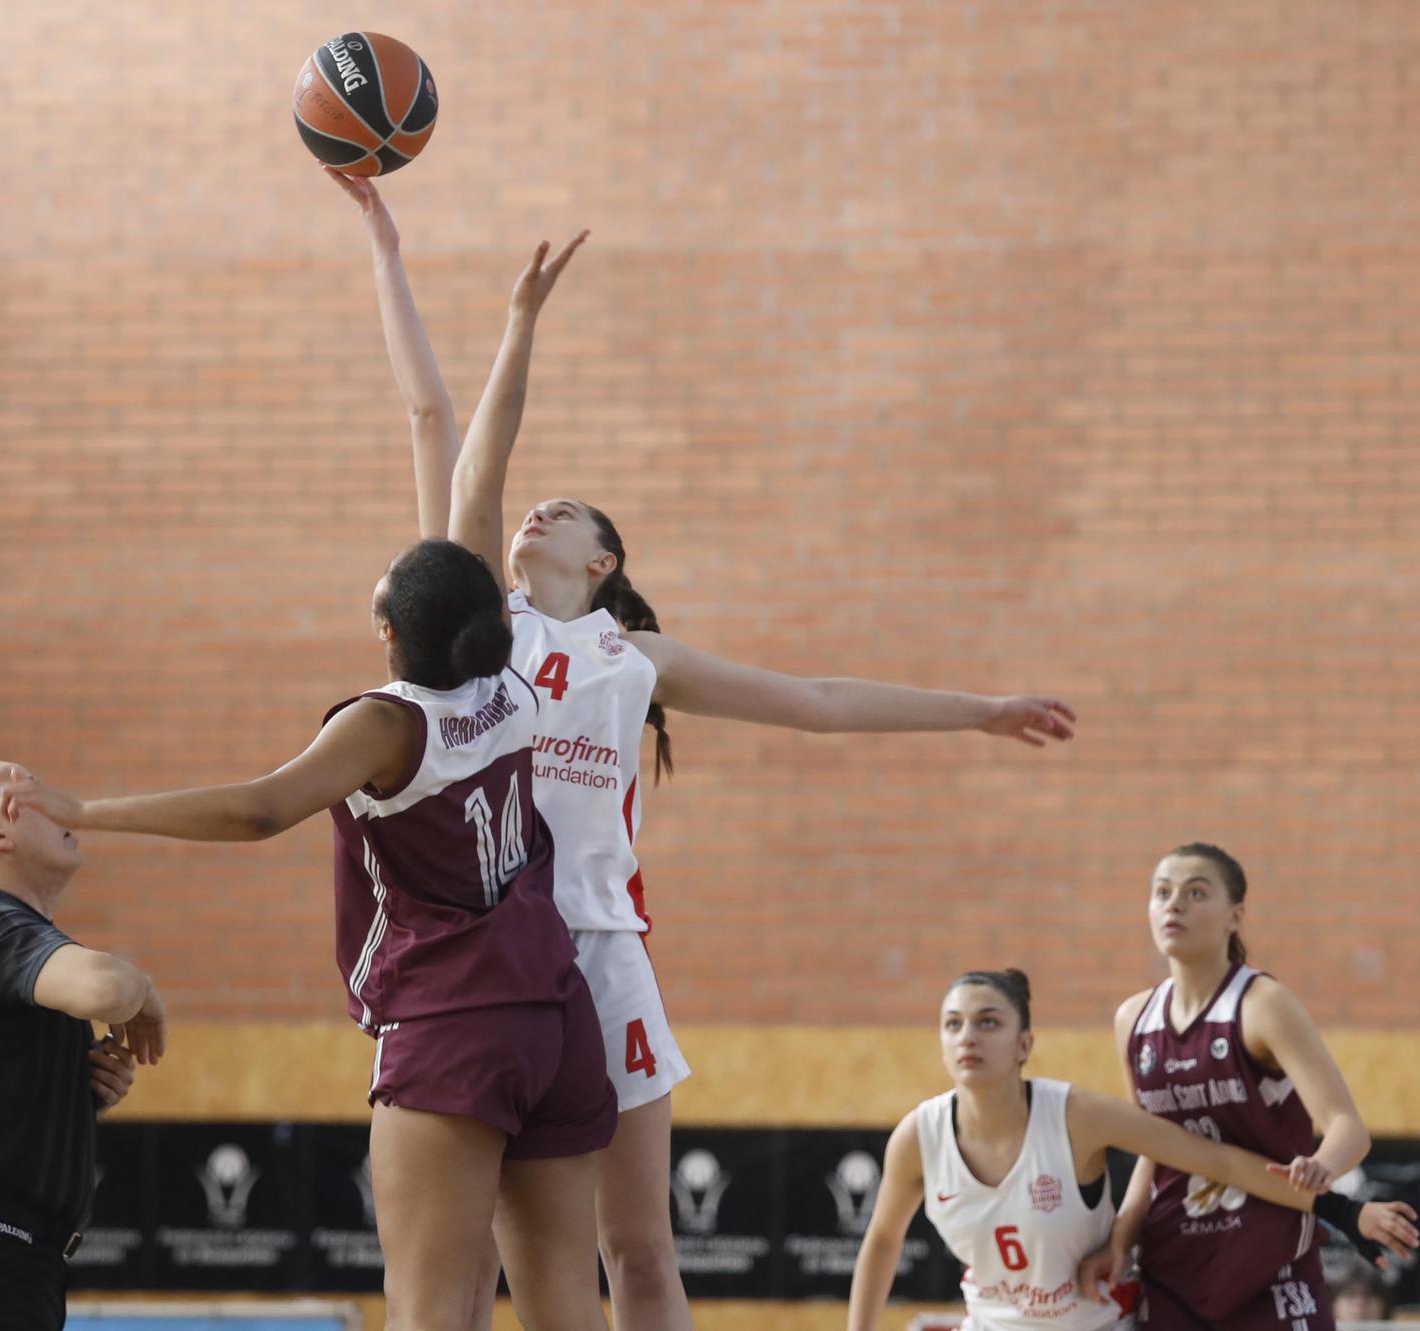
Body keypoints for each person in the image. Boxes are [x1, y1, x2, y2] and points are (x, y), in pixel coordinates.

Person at [329, 167, 1080, 1331]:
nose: (536, 511)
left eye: (566, 510)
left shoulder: (641, 658)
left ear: (606, 558)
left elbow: (818, 698)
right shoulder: (490, 631)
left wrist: (976, 707)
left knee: (634, 1246)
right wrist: (444, 284)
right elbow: (448, 432)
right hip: (493, 957)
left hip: (603, 948)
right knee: (480, 1251)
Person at [0, 537, 618, 1331]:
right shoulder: (515, 692)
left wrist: (86, 811)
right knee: (568, 1303)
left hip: (455, 1023)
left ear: (387, 628)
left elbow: (258, 809)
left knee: (426, 1311)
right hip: (559, 1013)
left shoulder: (389, 725)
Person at [846, 969, 1418, 1331]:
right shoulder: (917, 1137)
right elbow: (882, 1241)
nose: (967, 1036)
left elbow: (1214, 1159)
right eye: (953, 1025)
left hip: (1097, 1322)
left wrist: (1343, 1210)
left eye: (987, 1022)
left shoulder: (1075, 1116)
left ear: (1024, 1045)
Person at [1082, 844, 1419, 1331]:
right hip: (1172, 1272)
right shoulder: (1132, 1019)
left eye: (1195, 892)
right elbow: (1150, 1151)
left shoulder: (1262, 1004)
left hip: (1269, 1274)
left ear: (1234, 915)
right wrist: (1119, 1241)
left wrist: (1320, 1168)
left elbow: (1348, 1127)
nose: (1173, 904)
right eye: (1161, 893)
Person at [0, 761, 167, 1331]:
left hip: (11, 1262)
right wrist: (144, 992)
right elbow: (104, 987)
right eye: (29, 799)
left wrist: (74, 1100)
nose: (59, 805)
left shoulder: (1, 932)